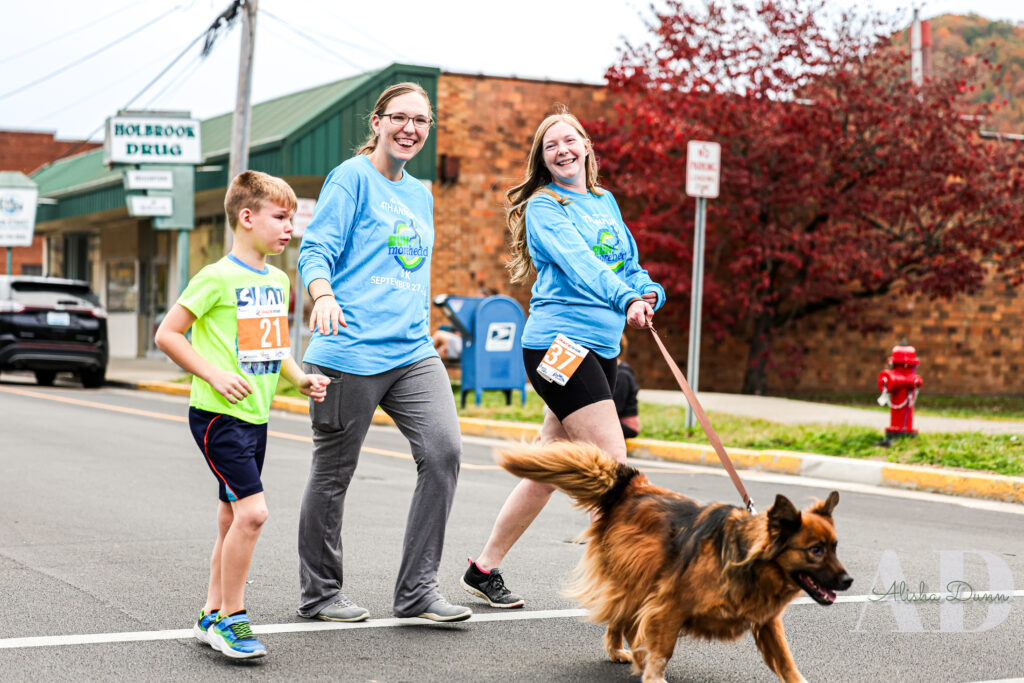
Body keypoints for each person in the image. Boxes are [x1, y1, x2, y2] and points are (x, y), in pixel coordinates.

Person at [460, 109, 665, 608]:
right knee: (615, 471)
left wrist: (647, 292)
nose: (562, 150)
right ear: (543, 159)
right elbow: (582, 264)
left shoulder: (603, 201)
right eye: (551, 146)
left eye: (569, 141)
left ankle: (483, 568)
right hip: (558, 345)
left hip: (601, 347)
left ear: (587, 146)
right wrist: (624, 298)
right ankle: (625, 590)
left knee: (549, 467)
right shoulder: (544, 207)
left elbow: (627, 264)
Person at [296, 82, 471, 623]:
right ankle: (321, 594)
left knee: (443, 452)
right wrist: (322, 294)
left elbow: (408, 270)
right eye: (399, 117)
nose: (410, 128)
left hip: (412, 350)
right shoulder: (351, 179)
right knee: (334, 473)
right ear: (377, 122)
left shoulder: (421, 194)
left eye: (421, 120)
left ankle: (418, 590)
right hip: (347, 348)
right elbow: (317, 247)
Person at [154, 170, 329, 659]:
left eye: (292, 218)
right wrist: (212, 374)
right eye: (280, 217)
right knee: (254, 513)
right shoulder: (215, 277)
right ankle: (232, 618)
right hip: (217, 415)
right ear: (247, 218)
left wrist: (299, 378)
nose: (288, 227)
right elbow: (167, 334)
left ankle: (210, 612)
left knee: (232, 517)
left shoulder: (276, 278)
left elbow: (273, 346)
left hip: (256, 416)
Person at [613, 334, 641, 439]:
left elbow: (616, 408)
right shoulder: (616, 371)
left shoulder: (622, 374)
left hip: (627, 425)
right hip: (617, 421)